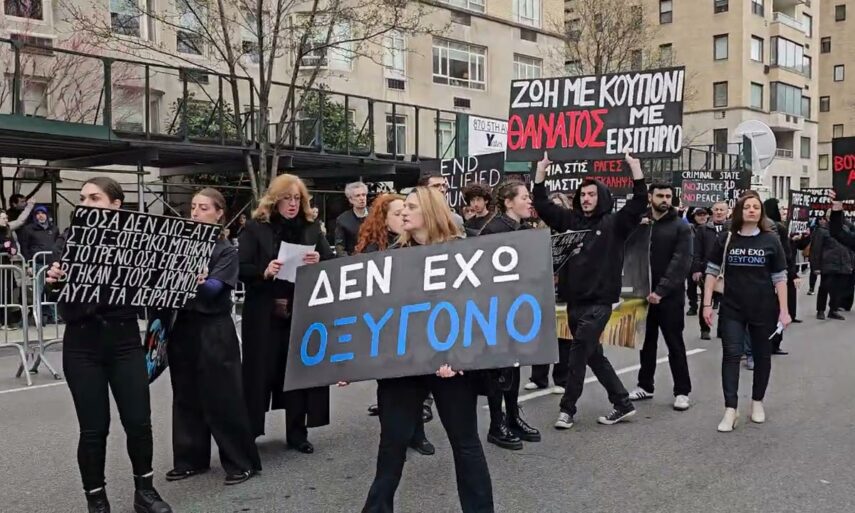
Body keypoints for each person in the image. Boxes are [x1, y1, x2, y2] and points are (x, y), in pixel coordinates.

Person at [45, 177, 172, 513]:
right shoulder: (68, 240)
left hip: (124, 341)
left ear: (116, 205)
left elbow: (158, 285)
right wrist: (53, 282)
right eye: (82, 198)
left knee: (139, 422)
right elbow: (53, 291)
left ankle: (145, 492)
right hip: (82, 344)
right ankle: (96, 499)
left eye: (94, 197)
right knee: (93, 429)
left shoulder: (135, 243)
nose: (85, 203)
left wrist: (186, 277)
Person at [362, 186, 492, 513]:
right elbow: (376, 315)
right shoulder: (392, 256)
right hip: (403, 366)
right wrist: (348, 361)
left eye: (410, 207)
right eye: (401, 208)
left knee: (465, 443)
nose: (403, 212)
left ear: (431, 212)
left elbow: (480, 309)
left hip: (451, 367)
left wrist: (460, 356)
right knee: (392, 444)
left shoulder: (465, 252)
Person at [532, 152, 647, 431]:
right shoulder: (569, 221)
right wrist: (541, 171)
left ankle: (567, 410)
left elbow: (639, 202)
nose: (585, 198)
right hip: (574, 302)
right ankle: (622, 402)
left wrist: (635, 168)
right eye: (582, 194)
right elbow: (542, 204)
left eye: (592, 194)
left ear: (602, 197)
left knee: (577, 355)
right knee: (594, 356)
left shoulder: (615, 223)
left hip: (600, 303)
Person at [167, 188, 261, 486]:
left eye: (204, 207)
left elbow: (213, 289)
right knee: (185, 394)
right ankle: (190, 458)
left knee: (223, 396)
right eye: (193, 207)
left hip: (214, 327)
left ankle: (240, 461)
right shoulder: (179, 246)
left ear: (219, 213)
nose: (196, 212)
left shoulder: (225, 250)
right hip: (183, 325)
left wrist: (195, 280)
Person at [239, 174, 333, 451]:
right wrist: (264, 271)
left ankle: (297, 432)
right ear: (274, 199)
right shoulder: (256, 227)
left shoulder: (311, 228)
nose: (292, 204)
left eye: (297, 198)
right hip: (264, 312)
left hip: (301, 311)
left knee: (298, 372)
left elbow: (331, 262)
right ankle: (250, 432)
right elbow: (240, 266)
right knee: (260, 372)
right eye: (286, 198)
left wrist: (319, 259)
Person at [354, 193, 436, 457]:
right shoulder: (374, 251)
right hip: (388, 334)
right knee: (392, 391)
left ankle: (418, 434)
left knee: (417, 384)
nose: (403, 216)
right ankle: (392, 437)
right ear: (384, 219)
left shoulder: (417, 245)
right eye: (397, 213)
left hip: (415, 330)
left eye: (407, 210)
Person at [703, 192, 790, 433]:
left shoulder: (770, 240)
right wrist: (706, 304)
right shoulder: (726, 238)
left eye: (756, 207)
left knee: (762, 356)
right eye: (747, 206)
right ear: (739, 211)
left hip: (764, 308)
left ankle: (757, 401)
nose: (752, 210)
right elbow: (711, 271)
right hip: (732, 307)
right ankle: (730, 409)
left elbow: (780, 277)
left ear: (761, 212)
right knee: (731, 355)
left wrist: (784, 311)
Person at [478, 181, 541, 450]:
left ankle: (513, 417)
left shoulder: (525, 230)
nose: (529, 201)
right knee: (497, 370)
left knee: (514, 366)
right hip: (497, 310)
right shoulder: (493, 230)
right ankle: (496, 424)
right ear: (508, 202)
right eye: (524, 197)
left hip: (519, 308)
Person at [628, 184, 693, 411]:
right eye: (660, 196)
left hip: (670, 297)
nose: (665, 199)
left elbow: (681, 261)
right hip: (643, 294)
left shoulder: (681, 226)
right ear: (650, 197)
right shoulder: (642, 223)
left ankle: (682, 391)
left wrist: (661, 291)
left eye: (668, 196)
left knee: (675, 343)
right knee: (646, 342)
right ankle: (645, 385)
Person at [526, 191, 573, 393]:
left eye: (558, 205)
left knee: (563, 336)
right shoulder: (540, 232)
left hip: (564, 290)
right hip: (542, 290)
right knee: (541, 334)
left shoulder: (571, 232)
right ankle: (538, 377)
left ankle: (562, 379)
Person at [763, 198, 799, 354]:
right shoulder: (779, 227)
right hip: (778, 272)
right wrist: (792, 273)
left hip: (765, 273)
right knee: (776, 309)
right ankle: (774, 343)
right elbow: (786, 254)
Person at [693, 201, 729, 340]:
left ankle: (722, 329)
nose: (719, 212)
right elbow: (697, 250)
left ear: (727, 212)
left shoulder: (731, 228)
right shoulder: (703, 229)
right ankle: (705, 329)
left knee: (726, 302)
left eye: (722, 210)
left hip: (726, 271)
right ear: (712, 211)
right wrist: (697, 268)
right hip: (708, 270)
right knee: (706, 299)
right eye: (716, 209)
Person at [809, 216, 852, 320]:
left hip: (843, 264)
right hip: (828, 264)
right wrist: (816, 267)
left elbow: (849, 247)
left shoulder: (845, 229)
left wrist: (850, 263)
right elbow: (816, 249)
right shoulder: (822, 231)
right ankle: (820, 310)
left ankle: (833, 310)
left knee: (838, 289)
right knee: (824, 287)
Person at [335, 181, 369, 256]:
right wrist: (349, 260)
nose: (362, 198)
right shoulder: (343, 220)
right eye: (357, 196)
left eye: (363, 195)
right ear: (350, 200)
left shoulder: (375, 214)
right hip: (353, 259)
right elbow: (340, 247)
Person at [686, 208, 709, 316]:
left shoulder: (711, 228)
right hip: (691, 261)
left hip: (707, 262)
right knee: (691, 286)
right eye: (699, 215)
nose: (702, 217)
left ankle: (707, 305)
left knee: (706, 287)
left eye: (704, 214)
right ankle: (693, 306)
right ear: (694, 216)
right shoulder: (689, 228)